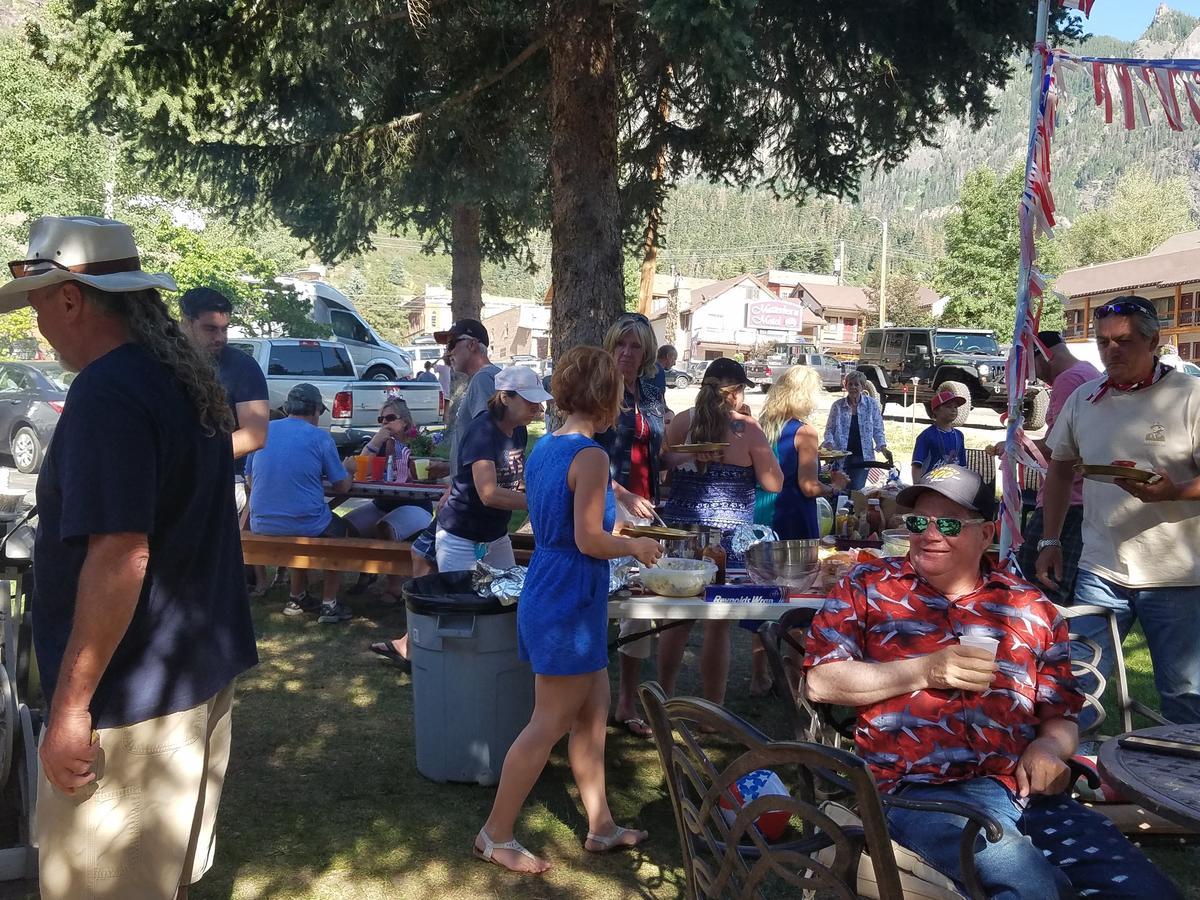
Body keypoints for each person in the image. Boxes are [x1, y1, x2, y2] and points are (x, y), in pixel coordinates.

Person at [2, 215, 258, 899]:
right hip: (190, 675)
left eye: (36, 305)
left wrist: (69, 710)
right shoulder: (175, 377)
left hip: (132, 700)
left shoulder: (109, 393)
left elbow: (121, 558)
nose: (36, 326)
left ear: (69, 299)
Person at [804, 464, 1180, 900]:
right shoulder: (868, 587)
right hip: (919, 796)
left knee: (1147, 890)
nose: (928, 534)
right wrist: (924, 670)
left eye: (948, 523)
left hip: (1025, 793)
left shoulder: (1029, 607)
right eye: (917, 522)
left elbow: (1060, 714)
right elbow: (821, 681)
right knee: (1035, 887)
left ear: (986, 534)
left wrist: (1048, 748)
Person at [475, 346, 661, 874]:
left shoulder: (545, 446)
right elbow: (587, 539)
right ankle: (495, 834)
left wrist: (611, 536)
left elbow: (563, 524)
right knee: (548, 722)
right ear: (608, 396)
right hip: (566, 594)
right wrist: (635, 546)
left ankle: (600, 826)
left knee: (592, 714)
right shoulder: (592, 455)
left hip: (557, 588)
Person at [1038, 296, 1200, 725]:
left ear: (1155, 342)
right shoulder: (1085, 398)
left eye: (1124, 341)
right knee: (1076, 687)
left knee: (1185, 697)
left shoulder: (1190, 397)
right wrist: (1050, 539)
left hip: (1178, 577)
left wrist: (1175, 491)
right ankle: (1071, 774)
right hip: (1101, 568)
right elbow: (1058, 472)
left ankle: (1179, 788)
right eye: (1104, 341)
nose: (1112, 350)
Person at [658, 357, 784, 706]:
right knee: (718, 623)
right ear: (737, 391)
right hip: (727, 541)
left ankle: (662, 699)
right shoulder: (747, 429)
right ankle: (713, 709)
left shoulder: (683, 420)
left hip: (683, 532)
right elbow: (773, 482)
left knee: (676, 618)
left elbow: (662, 467)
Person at [751, 365, 847, 696]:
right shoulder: (804, 432)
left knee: (761, 594)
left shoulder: (763, 426)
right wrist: (833, 487)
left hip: (761, 516)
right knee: (800, 596)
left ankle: (759, 674)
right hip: (793, 518)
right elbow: (808, 486)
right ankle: (792, 675)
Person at [595, 312, 670, 738]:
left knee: (641, 609)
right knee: (606, 599)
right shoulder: (600, 387)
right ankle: (592, 698)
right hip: (607, 506)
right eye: (620, 344)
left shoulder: (650, 389)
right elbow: (584, 452)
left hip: (647, 506)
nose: (626, 353)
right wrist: (621, 494)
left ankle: (625, 701)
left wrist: (689, 457)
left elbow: (656, 449)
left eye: (635, 347)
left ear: (646, 354)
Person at [991, 331, 1099, 607]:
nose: (1033, 376)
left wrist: (1014, 446)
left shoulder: (1068, 380)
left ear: (1042, 354)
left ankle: (1045, 644)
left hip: (1067, 501)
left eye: (1030, 366)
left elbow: (1059, 446)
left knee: (1038, 589)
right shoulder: (1087, 372)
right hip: (1081, 498)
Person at [246, 383, 354, 623]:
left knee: (303, 523)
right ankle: (329, 604)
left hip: (261, 523)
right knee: (336, 529)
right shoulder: (319, 437)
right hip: (304, 523)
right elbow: (342, 487)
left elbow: (250, 478)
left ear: (287, 408)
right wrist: (350, 470)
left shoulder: (264, 430)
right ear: (315, 410)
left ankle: (297, 596)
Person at [435, 365, 545, 571]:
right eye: (529, 400)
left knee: (506, 601)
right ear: (505, 398)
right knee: (464, 600)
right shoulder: (482, 431)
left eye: (537, 401)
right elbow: (489, 494)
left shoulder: (519, 429)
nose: (537, 407)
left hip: (495, 534)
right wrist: (541, 502)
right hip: (461, 535)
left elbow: (512, 479)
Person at [178, 286, 269, 514]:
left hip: (224, 480)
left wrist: (190, 458)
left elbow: (256, 435)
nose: (220, 338)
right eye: (210, 329)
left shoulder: (243, 368)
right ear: (186, 322)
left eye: (224, 329)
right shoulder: (159, 360)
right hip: (165, 480)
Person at [345, 397, 432, 612]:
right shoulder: (381, 444)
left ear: (404, 421)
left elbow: (433, 469)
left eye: (390, 418)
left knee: (386, 527)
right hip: (383, 503)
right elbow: (359, 469)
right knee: (347, 526)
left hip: (416, 504)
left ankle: (395, 586)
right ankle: (368, 571)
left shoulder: (418, 442)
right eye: (381, 419)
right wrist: (374, 443)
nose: (385, 423)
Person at [823, 370, 891, 492]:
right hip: (841, 456)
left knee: (856, 490)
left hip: (863, 457)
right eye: (850, 384)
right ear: (846, 386)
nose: (853, 387)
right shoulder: (837, 406)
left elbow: (878, 429)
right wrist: (829, 444)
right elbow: (829, 430)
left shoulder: (871, 405)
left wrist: (882, 447)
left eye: (857, 384)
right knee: (839, 491)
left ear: (863, 387)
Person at [910, 389, 966, 484]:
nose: (953, 410)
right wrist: (917, 487)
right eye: (948, 407)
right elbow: (917, 465)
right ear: (936, 410)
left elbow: (963, 466)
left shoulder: (959, 435)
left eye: (956, 407)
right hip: (931, 484)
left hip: (953, 485)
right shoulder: (926, 435)